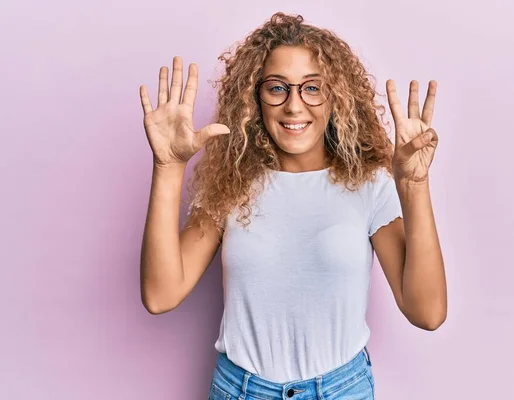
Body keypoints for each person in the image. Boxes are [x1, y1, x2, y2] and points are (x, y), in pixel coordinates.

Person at [138, 12, 447, 400]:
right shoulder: (230, 184)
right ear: (255, 97)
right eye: (277, 88)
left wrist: (414, 185)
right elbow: (160, 295)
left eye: (312, 88)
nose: (294, 106)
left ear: (335, 97)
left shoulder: (370, 184)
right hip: (241, 390)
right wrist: (167, 168)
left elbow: (428, 312)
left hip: (341, 390)